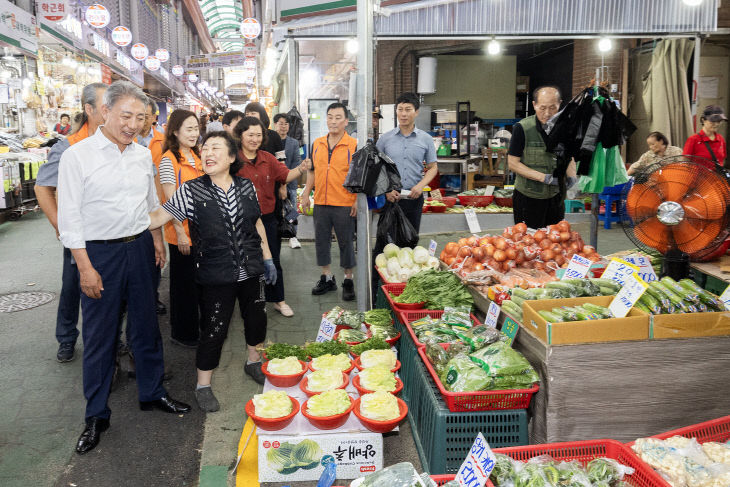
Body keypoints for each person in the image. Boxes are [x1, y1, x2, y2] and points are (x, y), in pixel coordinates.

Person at [57, 81, 190, 455]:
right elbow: (69, 219)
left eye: (140, 118)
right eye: (126, 116)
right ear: (105, 112)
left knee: (146, 325)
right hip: (99, 255)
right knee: (100, 336)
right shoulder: (77, 156)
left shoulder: (141, 155)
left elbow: (149, 201)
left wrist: (158, 241)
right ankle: (96, 414)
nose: (133, 124)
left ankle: (152, 392)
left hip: (140, 250)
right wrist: (85, 267)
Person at [149, 131, 276, 408]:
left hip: (251, 269)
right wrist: (124, 220)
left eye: (216, 148)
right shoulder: (191, 190)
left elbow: (256, 224)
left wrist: (268, 257)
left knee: (256, 319)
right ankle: (203, 384)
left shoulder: (246, 187)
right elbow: (160, 216)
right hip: (215, 273)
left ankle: (253, 361)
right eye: (205, 148)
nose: (208, 153)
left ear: (232, 157)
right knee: (214, 328)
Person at [35, 83, 108, 362]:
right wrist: (61, 226)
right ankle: (66, 337)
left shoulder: (114, 143)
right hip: (79, 234)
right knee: (72, 286)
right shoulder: (68, 147)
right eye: (105, 106)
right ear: (89, 110)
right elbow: (43, 187)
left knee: (108, 287)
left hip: (108, 232)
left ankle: (112, 339)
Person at [234, 117, 308, 317]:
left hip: (267, 219)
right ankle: (250, 303)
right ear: (240, 135)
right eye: (250, 135)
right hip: (241, 222)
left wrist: (301, 169)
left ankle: (279, 300)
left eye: (258, 135)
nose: (254, 139)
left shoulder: (268, 158)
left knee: (273, 260)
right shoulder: (233, 160)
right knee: (246, 262)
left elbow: (284, 176)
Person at [301, 103, 358, 301]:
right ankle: (327, 277)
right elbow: (312, 171)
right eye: (330, 117)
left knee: (346, 243)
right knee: (322, 242)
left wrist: (357, 200)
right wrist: (306, 194)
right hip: (321, 202)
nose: (333, 121)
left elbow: (358, 177)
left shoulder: (354, 145)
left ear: (346, 121)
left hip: (344, 202)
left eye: (337, 117)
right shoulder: (317, 143)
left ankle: (348, 279)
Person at [158, 110, 204, 347]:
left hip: (201, 231)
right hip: (183, 233)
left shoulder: (197, 156)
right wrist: (180, 233)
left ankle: (196, 327)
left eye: (196, 128)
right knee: (183, 285)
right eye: (189, 128)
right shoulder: (168, 160)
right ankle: (183, 333)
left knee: (198, 283)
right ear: (175, 131)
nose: (194, 133)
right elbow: (170, 202)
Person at [508, 86, 577, 229]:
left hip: (555, 197)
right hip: (528, 197)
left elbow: (568, 157)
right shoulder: (522, 129)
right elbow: (513, 164)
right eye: (542, 108)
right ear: (534, 105)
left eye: (553, 108)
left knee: (554, 241)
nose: (547, 113)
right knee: (528, 242)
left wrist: (572, 177)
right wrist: (543, 177)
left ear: (560, 104)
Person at [377, 92, 438, 234]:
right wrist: (386, 190)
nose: (403, 114)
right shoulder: (385, 139)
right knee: (387, 243)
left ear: (416, 112)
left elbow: (433, 167)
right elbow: (376, 168)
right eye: (400, 109)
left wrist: (420, 186)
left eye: (408, 109)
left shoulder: (425, 139)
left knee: (410, 242)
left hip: (413, 196)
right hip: (390, 197)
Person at [273, 113, 303, 249]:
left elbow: (297, 162)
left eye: (286, 124)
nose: (283, 126)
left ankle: (293, 235)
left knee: (292, 209)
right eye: (280, 123)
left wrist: (287, 177)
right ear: (275, 125)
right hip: (273, 183)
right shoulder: (270, 140)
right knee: (276, 209)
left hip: (290, 182)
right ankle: (276, 233)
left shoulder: (294, 143)